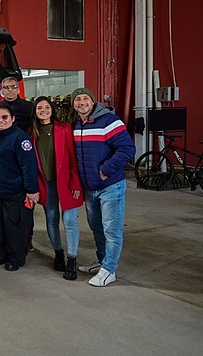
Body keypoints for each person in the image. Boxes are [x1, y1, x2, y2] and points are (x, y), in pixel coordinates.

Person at [71, 87, 135, 287]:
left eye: (85, 98)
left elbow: (127, 148)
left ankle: (109, 269)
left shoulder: (109, 121)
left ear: (93, 101)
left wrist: (106, 169)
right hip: (90, 188)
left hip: (110, 185)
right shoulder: (76, 125)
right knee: (96, 227)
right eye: (77, 99)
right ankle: (101, 261)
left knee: (112, 229)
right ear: (73, 104)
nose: (82, 102)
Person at [29, 96, 83, 280]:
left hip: (66, 183)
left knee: (69, 221)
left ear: (52, 109)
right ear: (35, 112)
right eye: (39, 108)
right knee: (51, 220)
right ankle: (58, 253)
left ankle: (72, 259)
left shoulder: (64, 128)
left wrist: (76, 183)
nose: (43, 110)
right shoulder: (32, 132)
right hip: (46, 184)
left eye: (46, 107)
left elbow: (73, 158)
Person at [0, 104, 40, 271]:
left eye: (4, 117)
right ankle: (1, 253)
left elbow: (29, 166)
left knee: (14, 227)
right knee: (0, 226)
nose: (1, 121)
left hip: (14, 193)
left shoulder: (20, 139)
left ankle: (16, 257)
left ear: (13, 118)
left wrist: (31, 191)